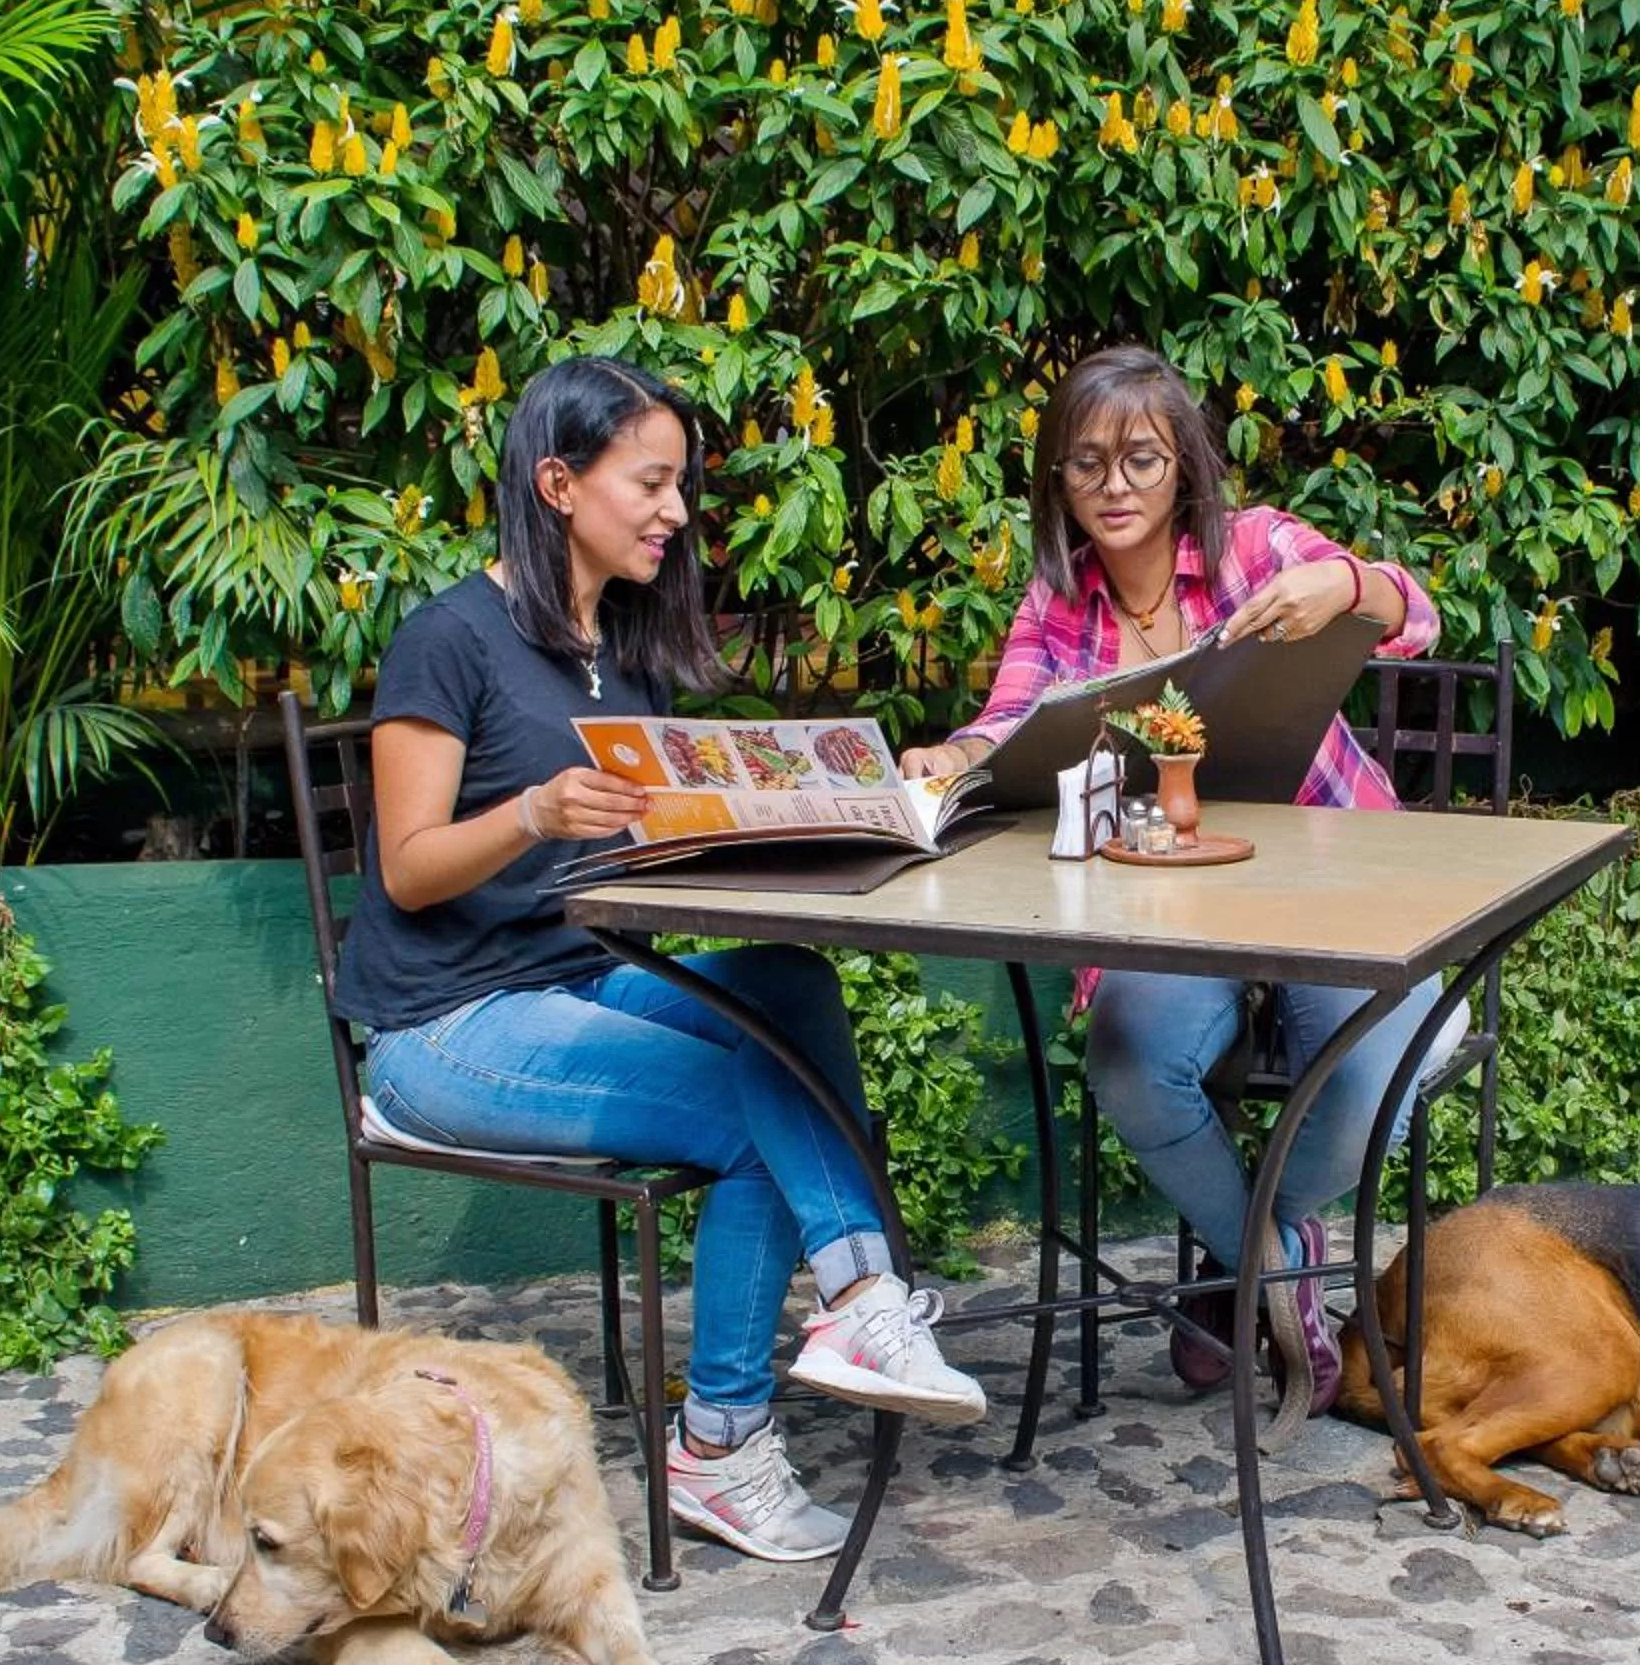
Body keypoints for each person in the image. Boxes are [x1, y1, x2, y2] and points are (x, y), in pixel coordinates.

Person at [334, 355, 985, 1565]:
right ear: (557, 483)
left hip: (574, 980)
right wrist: (533, 813)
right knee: (747, 1110)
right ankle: (733, 1435)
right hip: (444, 1028)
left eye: (679, 484)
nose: (677, 511)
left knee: (789, 989)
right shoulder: (446, 641)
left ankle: (854, 1308)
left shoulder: (613, 650)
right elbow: (409, 868)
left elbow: (640, 846)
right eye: (653, 481)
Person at [897, 345, 1445, 1407]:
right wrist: (951, 758)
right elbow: (1005, 720)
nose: (1113, 486)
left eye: (1141, 461)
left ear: (1185, 467)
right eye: (1085, 463)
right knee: (1130, 1061)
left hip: (1325, 869)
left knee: (1383, 1067)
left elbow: (1414, 616)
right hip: (1156, 901)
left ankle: (1236, 1262)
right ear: (1057, 478)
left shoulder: (1253, 548)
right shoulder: (1063, 603)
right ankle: (1269, 1269)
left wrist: (1345, 581)